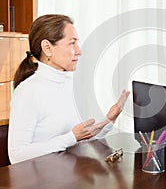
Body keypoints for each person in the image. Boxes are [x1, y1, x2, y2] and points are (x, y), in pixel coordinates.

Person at [8, 14, 130, 164]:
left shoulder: (70, 84)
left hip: (70, 175)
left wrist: (109, 121)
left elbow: (84, 136)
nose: (79, 51)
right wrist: (71, 137)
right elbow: (17, 155)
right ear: (47, 48)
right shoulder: (27, 92)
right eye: (72, 43)